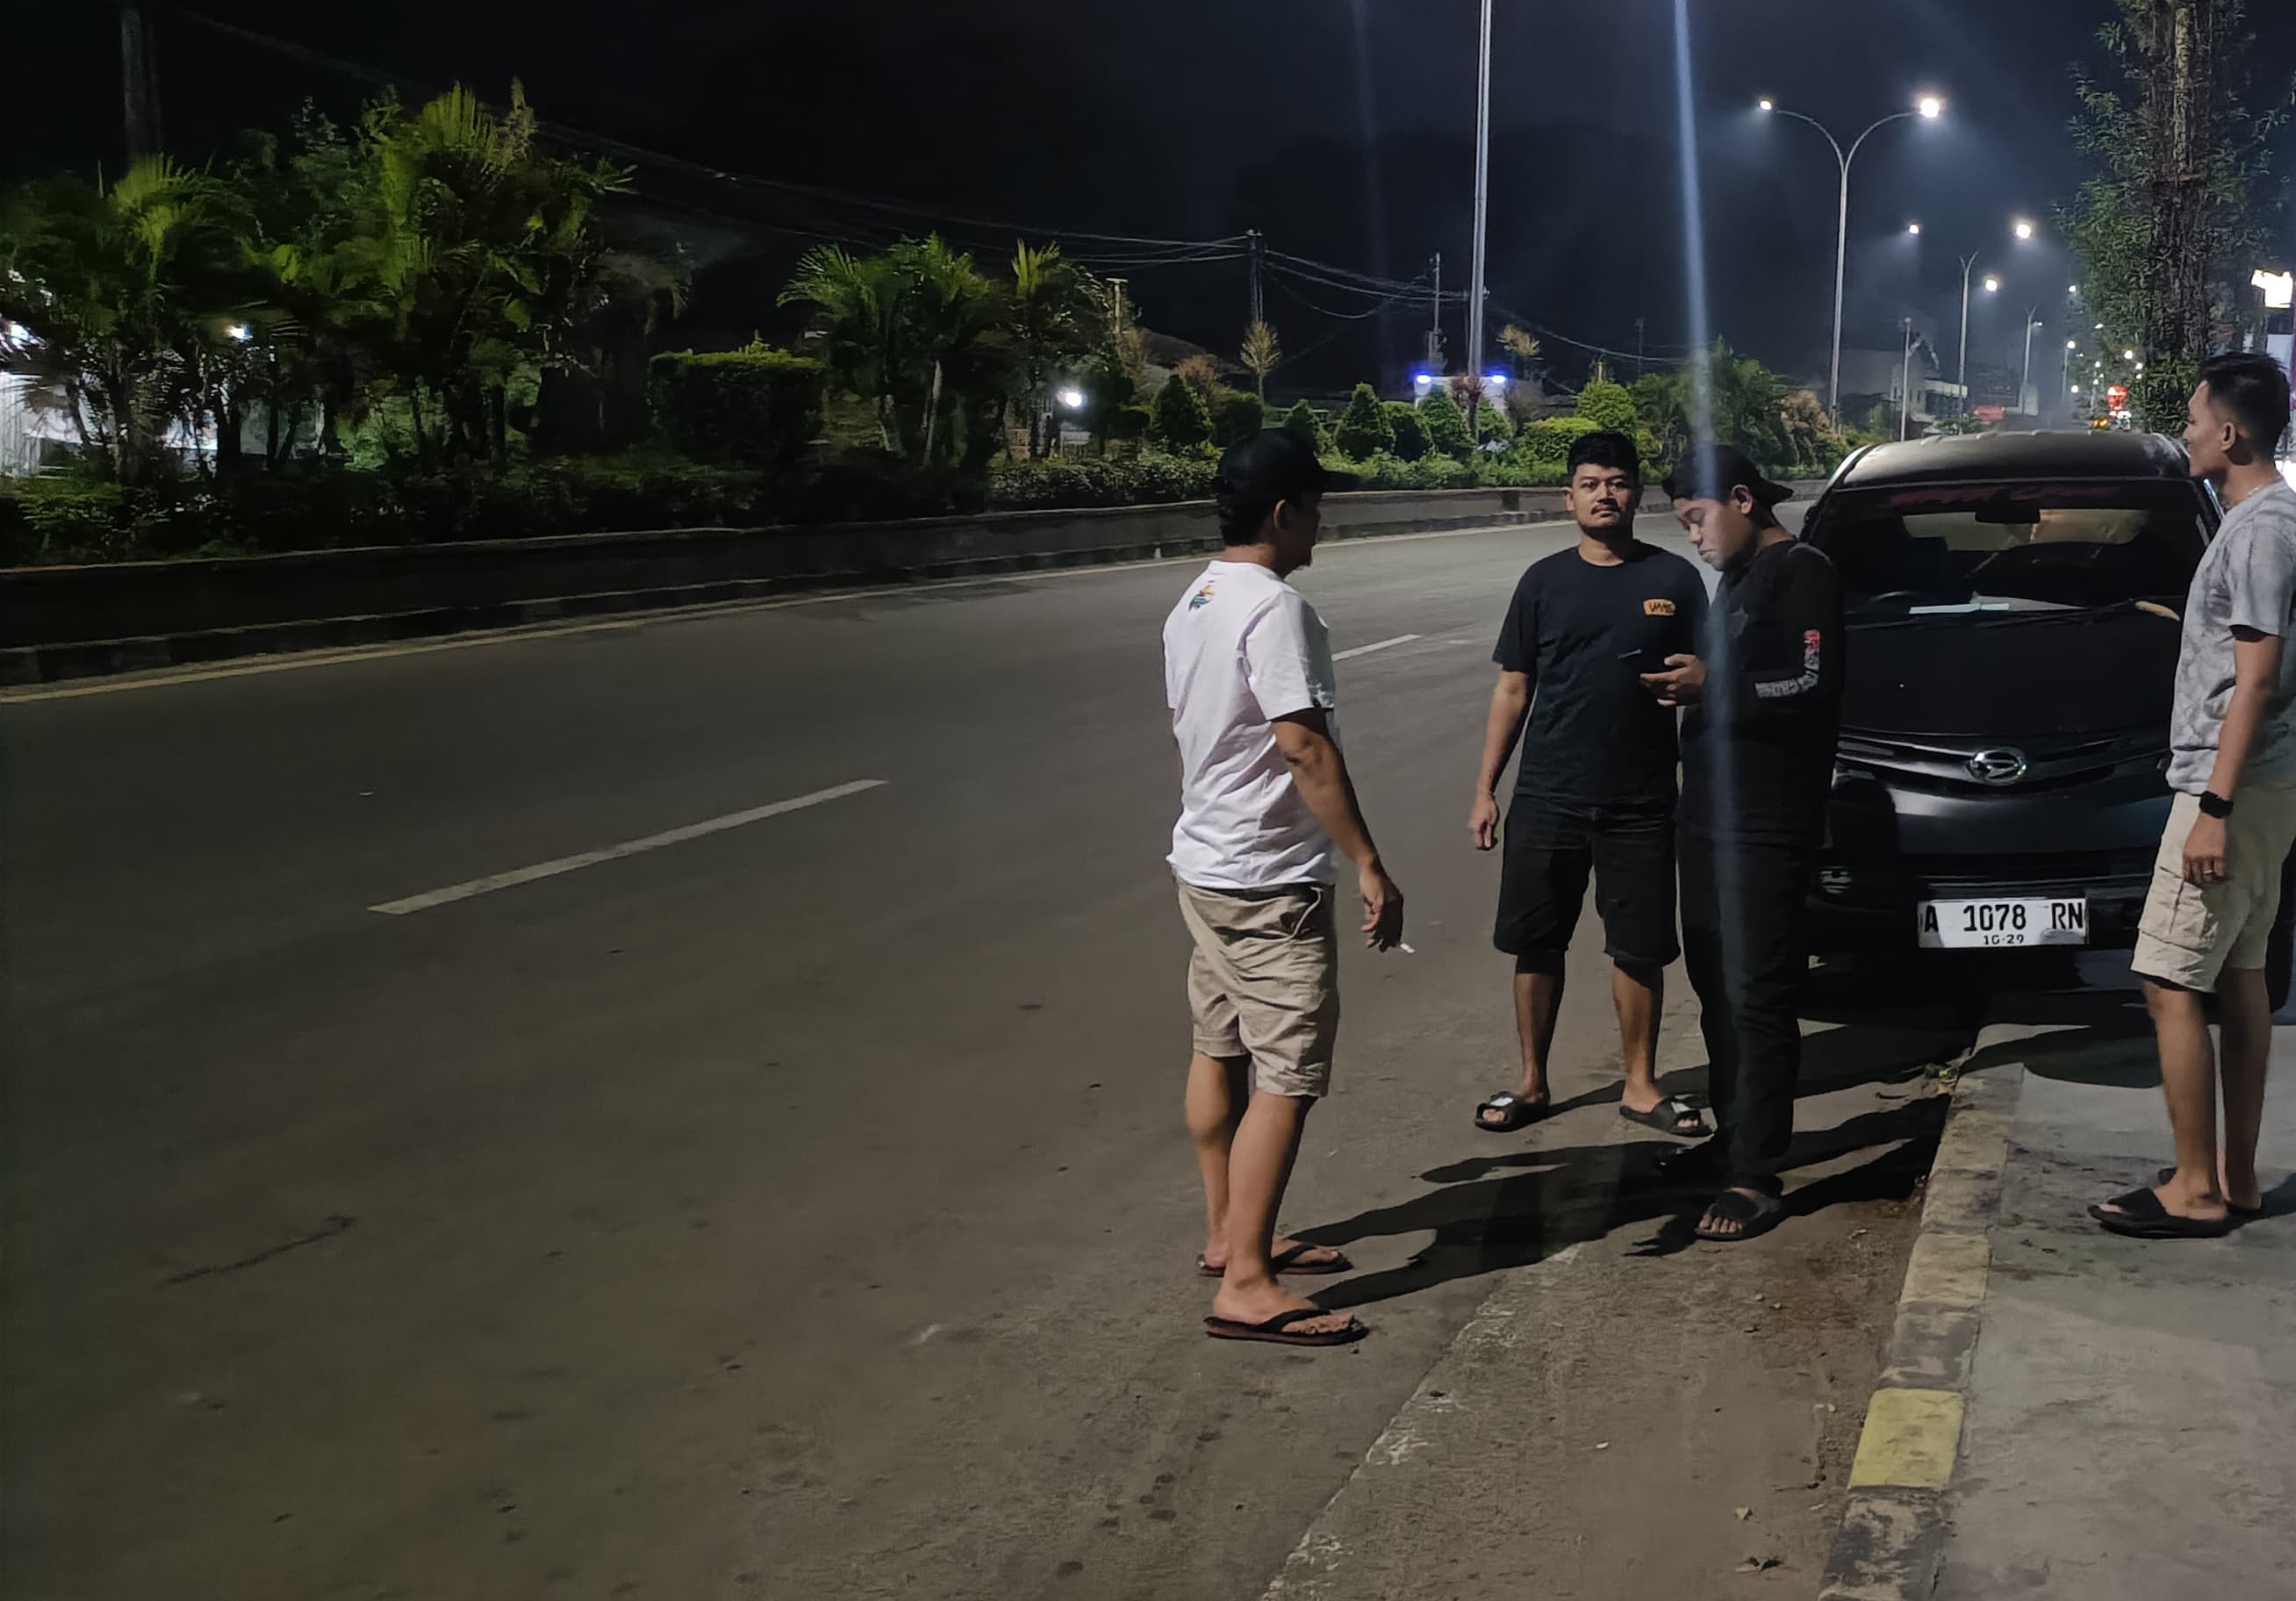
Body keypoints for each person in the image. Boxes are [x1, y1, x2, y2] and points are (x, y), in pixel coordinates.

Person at [1165, 429, 1405, 1346]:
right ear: (1281, 512)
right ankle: (1248, 1284)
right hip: (1268, 881)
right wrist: (1368, 861)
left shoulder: (1195, 598)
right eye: (1315, 506)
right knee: (1287, 1075)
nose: (1321, 523)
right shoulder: (1274, 608)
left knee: (1219, 1045)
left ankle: (1228, 1235)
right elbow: (1302, 746)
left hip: (1207, 865)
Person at [2092, 352, 2296, 1239]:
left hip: (2231, 787)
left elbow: (2257, 679)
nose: (2186, 434)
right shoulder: (2272, 522)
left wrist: (2212, 808)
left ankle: (2196, 1188)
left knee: (2166, 978)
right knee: (2242, 973)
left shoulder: (2259, 532)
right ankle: (2235, 1178)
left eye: (2193, 419)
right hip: (2268, 785)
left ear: (2232, 432)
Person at [1468, 430, 1711, 1139]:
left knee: (1639, 945)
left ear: (1637, 494)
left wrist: (1705, 681)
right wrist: (1485, 788)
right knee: (1536, 940)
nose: (1606, 494)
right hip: (1549, 793)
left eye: (1618, 482)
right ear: (1568, 497)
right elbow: (1514, 687)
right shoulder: (1543, 582)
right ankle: (1532, 1082)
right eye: (1591, 483)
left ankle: (1640, 1084)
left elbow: (1714, 672)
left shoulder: (1675, 579)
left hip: (1642, 799)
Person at [1642, 443, 1843, 1244]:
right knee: (1715, 990)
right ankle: (1733, 1139)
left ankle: (1757, 1174)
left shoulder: (1803, 570)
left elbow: (1812, 683)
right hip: (1707, 821)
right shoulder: (1735, 580)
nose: (1693, 537)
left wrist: (1712, 684)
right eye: (1684, 525)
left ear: (1741, 499)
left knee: (1757, 995)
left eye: (1697, 519)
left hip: (1766, 825)